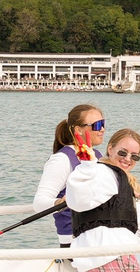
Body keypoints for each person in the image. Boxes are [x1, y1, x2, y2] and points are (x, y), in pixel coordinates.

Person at [62, 129, 140, 272]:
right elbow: (79, 198)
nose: (128, 159)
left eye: (134, 156)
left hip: (89, 271)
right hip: (118, 265)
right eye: (123, 152)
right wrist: (87, 167)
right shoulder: (100, 173)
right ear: (110, 149)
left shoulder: (118, 180)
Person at [33, 103, 107, 244]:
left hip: (99, 236)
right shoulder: (62, 160)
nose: (102, 129)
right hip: (74, 241)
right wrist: (59, 202)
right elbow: (38, 203)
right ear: (78, 130)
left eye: (103, 124)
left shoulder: (97, 155)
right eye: (97, 125)